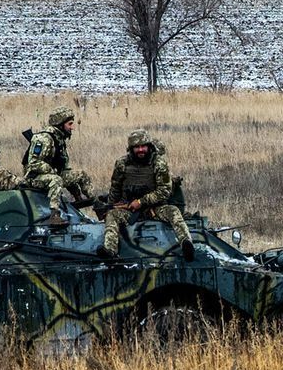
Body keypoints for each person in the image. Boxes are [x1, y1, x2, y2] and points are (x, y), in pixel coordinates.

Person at [100, 128, 194, 260]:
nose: (140, 150)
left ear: (149, 146)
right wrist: (109, 206)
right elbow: (115, 188)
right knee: (112, 215)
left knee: (173, 212)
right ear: (131, 149)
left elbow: (164, 191)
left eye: (143, 146)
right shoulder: (122, 164)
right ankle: (110, 250)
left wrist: (141, 202)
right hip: (129, 209)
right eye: (136, 147)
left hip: (155, 208)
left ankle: (186, 244)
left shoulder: (159, 163)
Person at [23, 106, 94, 225]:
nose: (72, 127)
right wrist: (52, 170)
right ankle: (54, 215)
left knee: (81, 175)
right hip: (34, 177)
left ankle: (94, 203)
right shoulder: (44, 138)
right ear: (60, 124)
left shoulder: (59, 139)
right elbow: (33, 163)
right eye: (70, 124)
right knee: (56, 180)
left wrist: (75, 188)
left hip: (51, 174)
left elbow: (64, 167)